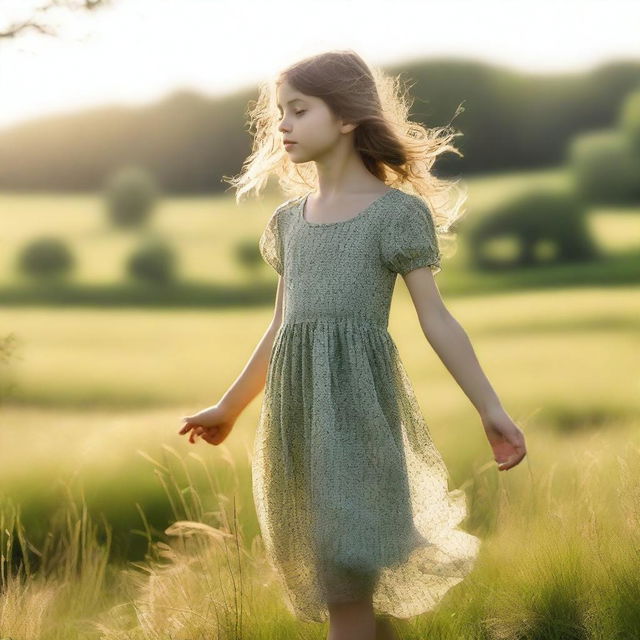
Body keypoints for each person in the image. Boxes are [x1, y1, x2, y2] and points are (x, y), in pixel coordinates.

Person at [178, 49, 527, 640]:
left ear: (345, 118)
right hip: (297, 422)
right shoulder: (290, 222)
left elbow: (437, 320)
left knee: (346, 578)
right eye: (279, 113)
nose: (282, 124)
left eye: (299, 110)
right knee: (345, 581)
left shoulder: (394, 214)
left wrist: (491, 409)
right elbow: (282, 329)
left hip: (358, 417)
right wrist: (229, 407)